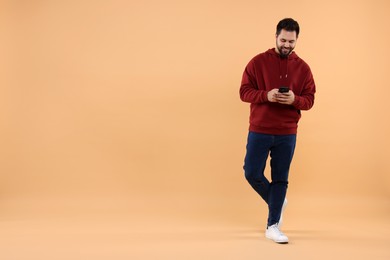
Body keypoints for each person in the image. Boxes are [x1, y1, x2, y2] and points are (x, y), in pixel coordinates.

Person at [239, 18, 316, 244]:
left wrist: (294, 99)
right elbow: (243, 92)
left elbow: (310, 100)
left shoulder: (303, 68)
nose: (287, 45)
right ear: (275, 36)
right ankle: (277, 201)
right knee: (251, 172)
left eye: (291, 41)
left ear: (296, 40)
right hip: (260, 128)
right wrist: (266, 95)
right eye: (283, 40)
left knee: (280, 178)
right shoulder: (257, 62)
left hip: (287, 132)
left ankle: (273, 226)